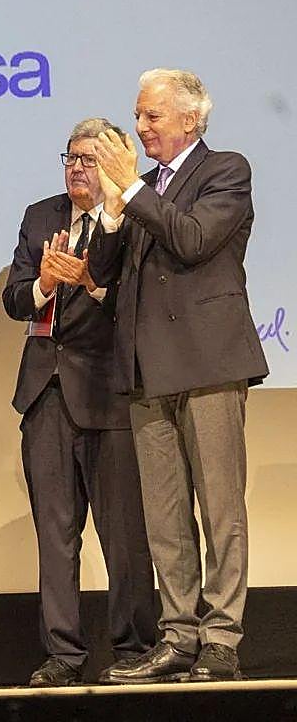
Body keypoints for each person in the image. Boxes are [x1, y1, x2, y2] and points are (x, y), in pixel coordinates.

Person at [88, 69, 269, 683]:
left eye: (151, 117)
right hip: (147, 367)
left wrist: (133, 188)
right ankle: (178, 636)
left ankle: (221, 638)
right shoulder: (141, 190)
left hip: (210, 361)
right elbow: (108, 271)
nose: (139, 128)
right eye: (137, 116)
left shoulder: (226, 171)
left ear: (189, 119)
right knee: (164, 515)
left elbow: (191, 240)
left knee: (221, 509)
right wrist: (113, 212)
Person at [2, 118, 156, 687]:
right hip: (45, 392)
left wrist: (92, 283)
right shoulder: (40, 216)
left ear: (113, 163)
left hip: (110, 393)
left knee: (124, 534)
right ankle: (64, 655)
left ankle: (135, 646)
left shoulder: (135, 218)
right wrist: (44, 282)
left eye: (88, 159)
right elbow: (17, 299)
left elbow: (140, 303)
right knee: (55, 533)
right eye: (69, 157)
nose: (75, 168)